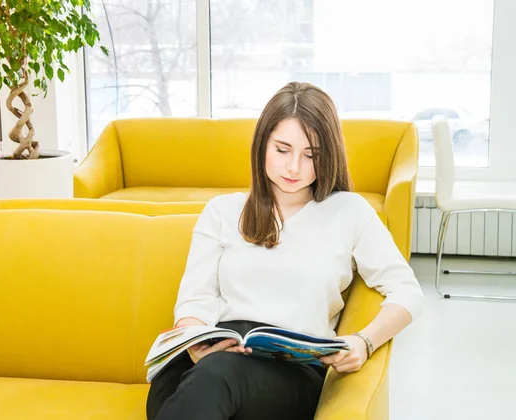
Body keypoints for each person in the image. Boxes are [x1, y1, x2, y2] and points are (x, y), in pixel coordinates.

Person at [146, 81, 425, 420]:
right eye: (282, 150)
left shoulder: (350, 212)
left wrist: (364, 342)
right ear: (262, 144)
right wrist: (195, 343)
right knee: (175, 389)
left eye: (311, 155)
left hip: (291, 369)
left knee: (215, 380)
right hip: (216, 355)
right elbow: (195, 297)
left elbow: (407, 291)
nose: (294, 167)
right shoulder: (222, 210)